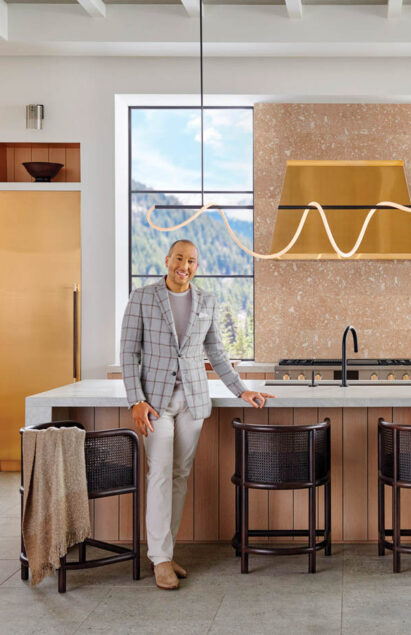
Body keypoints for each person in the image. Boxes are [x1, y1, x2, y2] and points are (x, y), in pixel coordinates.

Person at [120, 239, 274, 590]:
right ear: (167, 259)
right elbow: (128, 353)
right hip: (155, 405)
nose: (184, 266)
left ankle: (166, 551)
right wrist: (136, 401)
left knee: (179, 475)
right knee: (159, 474)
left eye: (191, 261)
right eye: (179, 258)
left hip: (192, 402)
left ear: (196, 266)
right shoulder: (143, 297)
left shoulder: (206, 300)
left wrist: (242, 389)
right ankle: (159, 560)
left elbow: (217, 352)